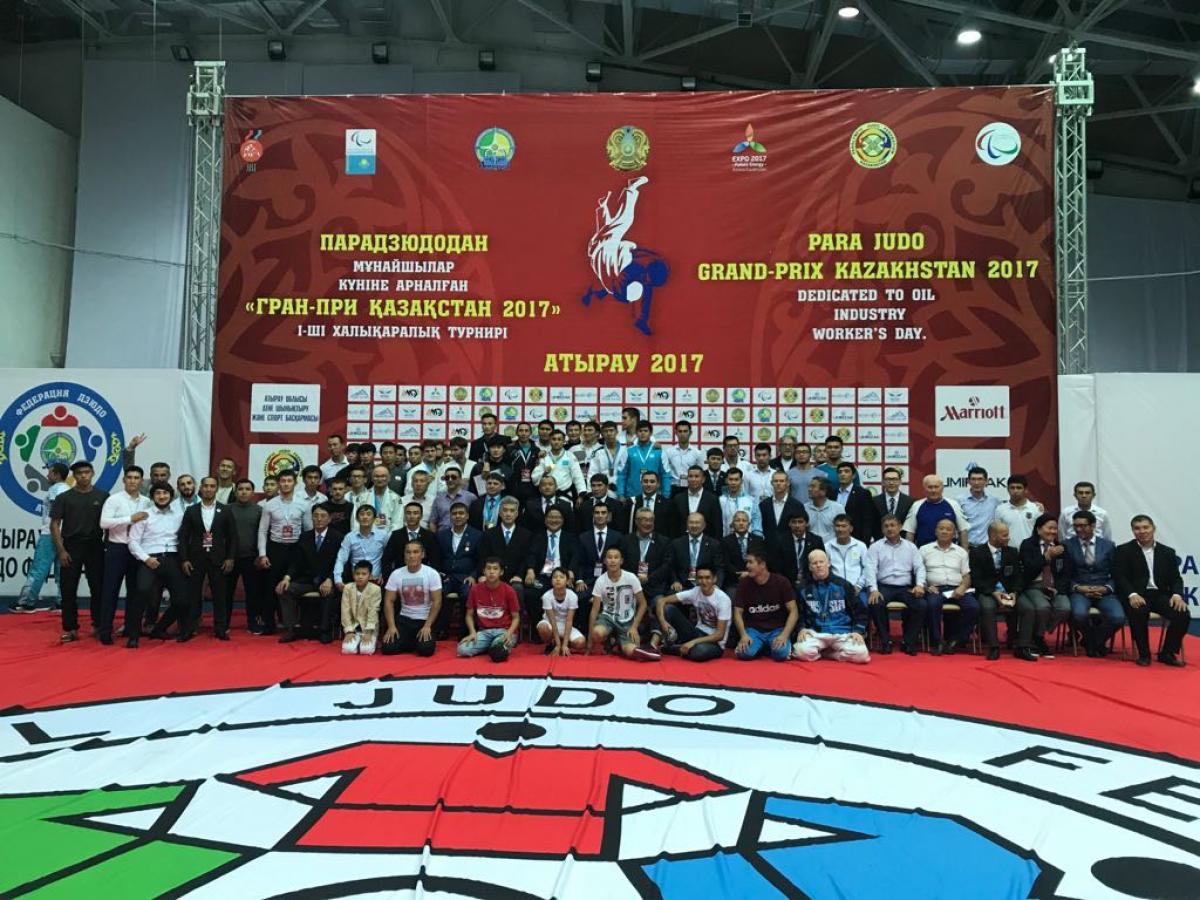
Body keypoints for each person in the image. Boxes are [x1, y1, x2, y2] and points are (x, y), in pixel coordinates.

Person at [1113, 514, 1191, 667]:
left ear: (1153, 528)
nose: (1142, 531)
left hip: (1160, 594)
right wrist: (1132, 594)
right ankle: (1144, 654)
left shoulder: (1167, 552)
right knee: (1138, 611)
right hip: (1137, 594)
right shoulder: (1123, 550)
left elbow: (1176, 578)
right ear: (1133, 531)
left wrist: (1177, 594)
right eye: (1137, 528)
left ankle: (1167, 653)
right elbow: (1119, 576)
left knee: (1182, 614)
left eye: (1145, 527)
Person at [50, 460, 109, 644]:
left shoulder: (103, 496)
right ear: (73, 476)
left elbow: (109, 524)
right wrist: (61, 550)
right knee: (68, 589)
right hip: (71, 546)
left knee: (98, 587)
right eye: (79, 473)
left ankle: (99, 625)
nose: (83, 476)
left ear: (92, 473)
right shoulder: (64, 498)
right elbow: (54, 524)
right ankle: (71, 628)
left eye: (87, 472)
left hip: (95, 546)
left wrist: (107, 543)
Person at [127, 483, 190, 647]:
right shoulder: (144, 516)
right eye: (158, 494)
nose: (162, 497)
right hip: (150, 560)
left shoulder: (179, 515)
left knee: (183, 599)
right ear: (153, 496)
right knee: (141, 593)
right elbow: (132, 541)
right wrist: (146, 559)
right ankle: (133, 635)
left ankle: (159, 628)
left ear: (171, 495)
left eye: (165, 493)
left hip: (173, 559)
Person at [96, 466, 153, 641]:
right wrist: (129, 519)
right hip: (117, 548)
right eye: (129, 477)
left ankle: (130, 628)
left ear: (141, 481)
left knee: (135, 592)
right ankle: (105, 631)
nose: (133, 481)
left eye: (137, 478)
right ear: (124, 480)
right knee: (110, 591)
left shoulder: (146, 502)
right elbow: (103, 523)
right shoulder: (114, 499)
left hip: (137, 550)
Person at [277, 505, 344, 644]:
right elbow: (296, 562)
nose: (319, 519)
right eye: (316, 516)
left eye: (323, 516)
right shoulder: (305, 536)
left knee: (329, 593)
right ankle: (291, 628)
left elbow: (340, 562)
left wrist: (331, 579)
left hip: (327, 580)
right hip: (307, 581)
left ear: (329, 518)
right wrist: (287, 577)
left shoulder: (338, 537)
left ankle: (324, 630)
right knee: (285, 590)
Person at [178, 475, 234, 640]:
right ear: (200, 488)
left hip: (218, 559)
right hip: (195, 558)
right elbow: (183, 537)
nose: (209, 489)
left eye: (212, 486)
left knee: (220, 595)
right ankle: (190, 628)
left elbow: (232, 537)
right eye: (206, 486)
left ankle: (220, 628)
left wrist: (230, 558)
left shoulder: (225, 510)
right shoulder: (191, 510)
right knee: (193, 594)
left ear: (216, 489)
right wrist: (184, 559)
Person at [10, 461, 70, 613]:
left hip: (50, 533)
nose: (47, 475)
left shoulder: (57, 490)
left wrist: (54, 529)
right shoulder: (67, 489)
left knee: (38, 569)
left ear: (56, 474)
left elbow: (57, 510)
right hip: (64, 534)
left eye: (50, 472)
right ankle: (63, 603)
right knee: (61, 569)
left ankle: (26, 603)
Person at [1062, 509, 1124, 658]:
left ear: (1093, 526)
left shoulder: (1108, 545)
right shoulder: (1066, 545)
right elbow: (1063, 575)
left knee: (1118, 618)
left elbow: (1117, 573)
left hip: (1104, 590)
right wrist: (1078, 587)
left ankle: (1092, 641)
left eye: (1083, 526)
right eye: (1075, 526)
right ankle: (1095, 643)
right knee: (1078, 615)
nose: (1078, 529)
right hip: (1079, 590)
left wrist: (1106, 588)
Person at [794, 549, 870, 664]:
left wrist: (858, 631)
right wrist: (801, 628)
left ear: (828, 563)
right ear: (810, 567)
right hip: (816, 633)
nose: (819, 565)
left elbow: (860, 611)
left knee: (862, 655)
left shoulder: (843, 585)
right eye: (815, 563)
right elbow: (798, 613)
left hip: (842, 632)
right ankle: (836, 654)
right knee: (800, 652)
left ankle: (828, 654)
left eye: (822, 562)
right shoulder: (802, 588)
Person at [1014, 513, 1073, 662]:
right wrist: (1046, 556)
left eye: (1055, 529)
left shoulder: (1061, 547)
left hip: (1055, 587)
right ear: (1039, 529)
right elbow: (1028, 569)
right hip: (1034, 585)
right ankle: (1039, 639)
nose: (1053, 532)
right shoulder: (1028, 545)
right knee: (1043, 608)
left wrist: (1058, 588)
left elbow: (1066, 573)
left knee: (1064, 608)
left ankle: (1037, 634)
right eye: (1049, 528)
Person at [255, 469, 306, 635]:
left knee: (293, 587)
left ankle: (293, 623)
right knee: (270, 588)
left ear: (295, 483)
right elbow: (262, 531)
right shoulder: (269, 505)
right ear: (278, 483)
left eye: (289, 481)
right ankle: (269, 624)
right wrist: (262, 554)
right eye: (282, 481)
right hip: (275, 548)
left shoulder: (303, 504)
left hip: (296, 548)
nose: (285, 484)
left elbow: (308, 531)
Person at [867, 514, 925, 655]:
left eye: (893, 525)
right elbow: (870, 569)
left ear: (900, 527)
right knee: (875, 603)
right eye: (886, 526)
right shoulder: (875, 547)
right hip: (884, 587)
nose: (890, 529)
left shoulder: (911, 547)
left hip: (905, 588)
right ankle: (886, 641)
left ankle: (908, 642)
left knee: (921, 605)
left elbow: (920, 567)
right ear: (882, 530)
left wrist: (920, 585)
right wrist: (873, 589)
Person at [920, 518, 979, 655]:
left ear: (954, 533)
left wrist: (962, 588)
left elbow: (967, 576)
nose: (944, 531)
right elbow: (918, 572)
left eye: (948, 529)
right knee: (932, 605)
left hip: (956, 588)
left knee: (974, 608)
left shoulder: (961, 552)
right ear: (935, 531)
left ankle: (956, 640)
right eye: (941, 528)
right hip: (935, 588)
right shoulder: (924, 550)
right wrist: (926, 585)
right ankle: (937, 641)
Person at [650, 564, 730, 662]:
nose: (704, 582)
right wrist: (663, 622)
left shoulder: (723, 599)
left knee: (699, 652)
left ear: (714, 579)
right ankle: (653, 647)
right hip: (697, 633)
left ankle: (673, 648)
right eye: (700, 578)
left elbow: (719, 635)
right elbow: (661, 601)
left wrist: (693, 642)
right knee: (668, 609)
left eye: (707, 578)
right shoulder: (695, 591)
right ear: (696, 580)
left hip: (715, 643)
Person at [587, 546, 656, 660]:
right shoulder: (600, 580)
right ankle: (609, 640)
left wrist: (634, 627)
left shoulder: (631, 577)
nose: (612, 560)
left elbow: (643, 604)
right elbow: (594, 610)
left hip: (627, 621)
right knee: (597, 633)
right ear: (605, 561)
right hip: (608, 617)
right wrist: (590, 639)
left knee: (631, 652)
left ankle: (618, 644)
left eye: (616, 557)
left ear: (621, 561)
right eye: (609, 557)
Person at [969, 522, 1023, 661]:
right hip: (987, 591)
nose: (1008, 538)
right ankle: (993, 646)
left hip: (1009, 592)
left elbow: (1017, 576)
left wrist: (1014, 593)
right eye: (1005, 535)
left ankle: (1020, 645)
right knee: (987, 607)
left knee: (1026, 607)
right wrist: (993, 592)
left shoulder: (1012, 552)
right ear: (993, 536)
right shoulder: (977, 552)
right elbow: (976, 579)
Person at [732, 549, 797, 661]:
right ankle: (763, 647)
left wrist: (784, 635)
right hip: (754, 630)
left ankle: (766, 647)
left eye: (750, 562)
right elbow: (737, 612)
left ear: (762, 564)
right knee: (744, 653)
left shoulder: (781, 582)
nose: (747, 566)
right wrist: (743, 635)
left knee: (780, 654)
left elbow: (794, 611)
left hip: (777, 629)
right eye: (747, 562)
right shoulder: (744, 583)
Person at [381, 541, 442, 656]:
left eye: (416, 552)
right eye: (408, 552)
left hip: (424, 620)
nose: (412, 555)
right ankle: (412, 642)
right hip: (404, 619)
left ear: (422, 554)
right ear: (404, 555)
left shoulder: (432, 573)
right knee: (388, 648)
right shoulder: (396, 574)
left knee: (425, 650)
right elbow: (388, 601)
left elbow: (437, 601)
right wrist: (391, 626)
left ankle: (413, 643)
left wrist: (428, 626)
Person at [479, 496, 532, 624]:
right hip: (493, 576)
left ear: (517, 513)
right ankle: (487, 624)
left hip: (515, 576)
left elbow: (526, 558)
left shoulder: (526, 534)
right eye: (505, 510)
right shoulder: (489, 533)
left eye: (512, 510)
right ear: (500, 512)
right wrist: (485, 574)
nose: (508, 513)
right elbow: (483, 557)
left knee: (517, 588)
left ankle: (516, 625)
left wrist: (519, 575)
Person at [457, 558, 521, 661]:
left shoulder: (509, 590)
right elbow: (469, 615)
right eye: (488, 568)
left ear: (501, 572)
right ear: (484, 571)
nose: (491, 572)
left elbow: (516, 618)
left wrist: (509, 633)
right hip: (484, 631)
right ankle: (489, 645)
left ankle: (492, 646)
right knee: (462, 650)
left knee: (497, 653)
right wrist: (473, 632)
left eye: (495, 569)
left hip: (504, 631)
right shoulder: (475, 589)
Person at [524, 507, 576, 630]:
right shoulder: (538, 536)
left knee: (574, 594)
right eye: (551, 517)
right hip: (543, 577)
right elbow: (531, 554)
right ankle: (539, 628)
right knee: (530, 594)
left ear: (563, 520)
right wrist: (530, 570)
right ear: (545, 520)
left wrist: (571, 572)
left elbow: (575, 556)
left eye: (557, 517)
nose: (554, 520)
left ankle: (566, 629)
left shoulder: (570, 537)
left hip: (562, 577)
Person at [435, 502, 483, 636]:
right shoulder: (441, 535)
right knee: (439, 593)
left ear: (467, 516)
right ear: (450, 516)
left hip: (466, 576)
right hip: (446, 576)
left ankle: (465, 631)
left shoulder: (477, 535)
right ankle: (441, 629)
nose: (458, 516)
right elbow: (436, 559)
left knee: (468, 593)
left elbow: (481, 560)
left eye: (461, 513)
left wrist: (473, 576)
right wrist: (439, 574)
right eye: (454, 514)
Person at [227, 479, 263, 633]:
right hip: (229, 558)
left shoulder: (259, 510)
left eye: (247, 489)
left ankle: (253, 623)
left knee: (253, 594)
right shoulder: (226, 510)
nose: (243, 492)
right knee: (226, 593)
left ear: (253, 492)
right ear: (235, 492)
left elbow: (263, 534)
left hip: (252, 558)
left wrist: (260, 555)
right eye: (240, 489)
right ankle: (223, 624)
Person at [621, 507, 672, 608]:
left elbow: (666, 566)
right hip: (630, 587)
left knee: (664, 609)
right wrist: (633, 579)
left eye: (651, 520)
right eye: (644, 520)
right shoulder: (625, 541)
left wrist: (648, 578)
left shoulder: (664, 542)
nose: (648, 523)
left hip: (655, 588)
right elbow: (622, 564)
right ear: (636, 521)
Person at [826, 514, 876, 616]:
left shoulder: (860, 546)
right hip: (835, 589)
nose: (840, 529)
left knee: (864, 608)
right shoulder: (827, 546)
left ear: (851, 528)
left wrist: (859, 586)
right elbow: (827, 570)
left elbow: (867, 568)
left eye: (844, 526)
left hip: (857, 588)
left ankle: (861, 631)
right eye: (837, 526)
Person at [574, 502, 623, 599]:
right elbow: (579, 561)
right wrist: (579, 580)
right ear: (593, 515)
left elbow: (621, 563)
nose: (600, 515)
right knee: (579, 597)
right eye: (597, 513)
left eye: (603, 513)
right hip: (589, 581)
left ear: (608, 515)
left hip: (611, 580)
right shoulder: (583, 537)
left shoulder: (618, 537)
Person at [902, 475, 968, 548]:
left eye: (936, 487)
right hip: (924, 553)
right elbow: (910, 532)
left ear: (942, 488)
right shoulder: (916, 506)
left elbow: (963, 531)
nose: (933, 490)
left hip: (950, 554)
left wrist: (965, 552)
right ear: (924, 489)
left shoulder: (954, 504)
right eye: (930, 487)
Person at [333, 504, 388, 591]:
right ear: (357, 519)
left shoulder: (383, 535)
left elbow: (388, 557)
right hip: (356, 581)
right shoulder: (350, 537)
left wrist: (385, 574)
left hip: (376, 580)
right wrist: (338, 580)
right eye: (362, 514)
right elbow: (341, 559)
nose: (365, 517)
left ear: (374, 519)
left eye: (368, 514)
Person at [668, 513, 725, 593]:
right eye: (691, 522)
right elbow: (671, 567)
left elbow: (719, 568)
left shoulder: (714, 544)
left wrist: (716, 585)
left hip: (706, 585)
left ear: (704, 525)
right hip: (682, 586)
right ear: (687, 525)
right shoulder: (676, 544)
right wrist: (675, 581)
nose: (694, 525)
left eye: (697, 523)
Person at [382, 502, 443, 577]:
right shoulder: (396, 535)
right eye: (408, 513)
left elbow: (435, 561)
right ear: (404, 516)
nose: (412, 516)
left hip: (424, 576)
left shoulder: (429, 536)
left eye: (415, 513)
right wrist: (391, 577)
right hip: (400, 577)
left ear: (421, 516)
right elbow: (386, 560)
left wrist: (431, 577)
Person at [617, 420, 671, 500]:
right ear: (636, 433)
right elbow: (622, 474)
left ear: (651, 433)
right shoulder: (629, 451)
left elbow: (665, 475)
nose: (642, 433)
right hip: (632, 495)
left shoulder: (659, 452)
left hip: (655, 496)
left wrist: (666, 494)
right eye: (640, 431)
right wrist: (620, 494)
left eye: (645, 431)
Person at [538, 567, 586, 655]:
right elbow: (552, 621)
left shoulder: (572, 596)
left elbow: (569, 620)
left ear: (567, 581)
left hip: (565, 625)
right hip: (550, 624)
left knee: (581, 642)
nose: (558, 579)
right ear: (551, 581)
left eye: (561, 577)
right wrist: (558, 644)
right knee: (542, 628)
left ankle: (565, 646)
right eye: (555, 577)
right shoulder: (546, 596)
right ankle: (552, 644)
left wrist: (564, 644)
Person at [531, 429, 587, 499]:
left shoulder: (570, 456)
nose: (556, 442)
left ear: (563, 441)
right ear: (550, 440)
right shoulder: (544, 457)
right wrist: (544, 473)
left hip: (565, 496)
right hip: (546, 497)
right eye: (554, 439)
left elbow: (577, 476)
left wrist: (581, 493)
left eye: (559, 439)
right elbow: (534, 478)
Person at [340, 560, 382, 655]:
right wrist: (349, 631)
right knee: (348, 650)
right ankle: (356, 639)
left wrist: (369, 632)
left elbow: (373, 611)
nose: (360, 577)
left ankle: (372, 640)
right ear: (353, 575)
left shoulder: (375, 589)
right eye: (357, 574)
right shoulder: (348, 588)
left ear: (370, 576)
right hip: (354, 627)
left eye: (364, 574)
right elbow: (345, 610)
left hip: (368, 627)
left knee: (366, 650)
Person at [671, 466, 722, 541]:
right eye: (690, 476)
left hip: (706, 543)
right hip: (682, 542)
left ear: (703, 479)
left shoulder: (712, 499)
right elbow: (673, 525)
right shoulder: (678, 498)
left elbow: (717, 525)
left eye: (697, 476)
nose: (693, 479)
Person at [835, 462, 880, 544]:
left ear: (853, 476)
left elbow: (868, 521)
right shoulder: (832, 493)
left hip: (856, 539)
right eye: (840, 472)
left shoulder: (863, 493)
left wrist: (864, 542)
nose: (842, 474)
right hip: (835, 539)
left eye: (846, 471)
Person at [721, 510, 765, 592]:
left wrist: (749, 574)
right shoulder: (725, 541)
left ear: (749, 524)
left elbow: (761, 561)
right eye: (737, 520)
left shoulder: (758, 540)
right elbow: (726, 563)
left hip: (755, 579)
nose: (741, 523)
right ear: (733, 524)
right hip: (734, 582)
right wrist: (740, 574)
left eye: (744, 521)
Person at [956, 467, 999, 548]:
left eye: (980, 479)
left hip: (987, 548)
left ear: (986, 481)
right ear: (968, 481)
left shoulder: (994, 501)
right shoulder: (959, 501)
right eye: (973, 479)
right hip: (967, 547)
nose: (976, 482)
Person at [995, 475, 1041, 548]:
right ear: (1008, 489)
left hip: (1030, 552)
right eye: (1012, 488)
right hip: (1008, 551)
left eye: (1019, 488)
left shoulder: (1036, 509)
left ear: (1025, 489)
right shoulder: (1000, 509)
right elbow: (997, 533)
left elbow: (1040, 533)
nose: (1015, 491)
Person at [626, 469, 675, 536]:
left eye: (652, 482)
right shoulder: (632, 502)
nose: (648, 484)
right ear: (641, 483)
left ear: (658, 484)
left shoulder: (667, 504)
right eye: (645, 481)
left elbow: (671, 529)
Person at [430, 465, 477, 532]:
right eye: (447, 477)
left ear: (460, 479)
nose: (450, 480)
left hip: (464, 536)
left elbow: (475, 520)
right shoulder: (438, 499)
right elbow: (433, 522)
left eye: (453, 477)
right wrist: (435, 538)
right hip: (442, 536)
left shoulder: (470, 497)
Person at [759, 469, 804, 538]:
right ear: (771, 483)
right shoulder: (763, 505)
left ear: (788, 483)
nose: (778, 483)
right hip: (768, 544)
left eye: (782, 481)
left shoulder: (797, 505)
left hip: (789, 545)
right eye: (776, 481)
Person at [719, 468, 762, 537]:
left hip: (748, 541)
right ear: (726, 481)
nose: (733, 483)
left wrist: (757, 540)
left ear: (741, 481)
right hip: (726, 541)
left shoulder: (751, 500)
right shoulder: (720, 500)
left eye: (736, 480)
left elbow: (756, 521)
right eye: (731, 479)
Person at [663, 420, 704, 491]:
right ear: (676, 433)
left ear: (690, 433)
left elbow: (700, 473)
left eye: (685, 431)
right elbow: (666, 472)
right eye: (680, 431)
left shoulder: (697, 453)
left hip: (691, 488)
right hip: (673, 488)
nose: (682, 434)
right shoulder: (669, 452)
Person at [506, 422, 540, 503]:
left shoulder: (537, 450)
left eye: (526, 431)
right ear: (517, 432)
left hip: (532, 490)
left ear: (530, 433)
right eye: (521, 431)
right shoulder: (509, 449)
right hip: (513, 490)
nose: (523, 433)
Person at [803, 477, 843, 544]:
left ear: (824, 491)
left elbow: (842, 531)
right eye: (809, 486)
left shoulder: (838, 508)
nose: (809, 489)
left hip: (831, 548)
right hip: (810, 547)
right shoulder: (804, 508)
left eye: (813, 486)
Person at [587, 421, 624, 487]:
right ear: (602, 434)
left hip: (623, 489)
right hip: (604, 490)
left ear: (617, 432)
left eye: (611, 430)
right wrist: (590, 493)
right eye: (605, 431)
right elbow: (592, 474)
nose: (609, 433)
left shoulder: (626, 451)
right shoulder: (598, 453)